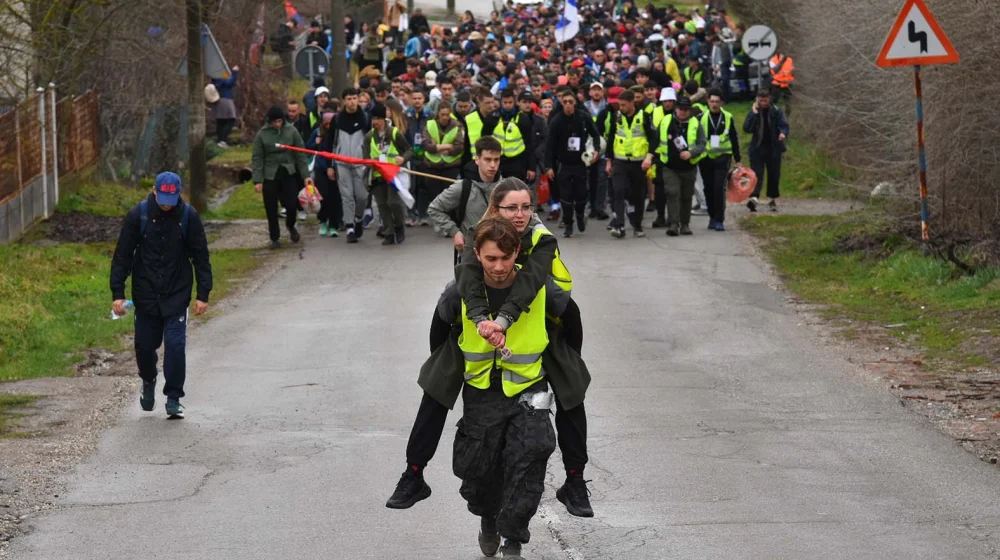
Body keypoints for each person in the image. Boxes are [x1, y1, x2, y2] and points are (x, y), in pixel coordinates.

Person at [387, 179, 593, 523]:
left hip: (537, 315)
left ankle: (574, 480)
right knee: (435, 388)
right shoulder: (477, 234)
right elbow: (466, 280)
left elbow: (532, 284)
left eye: (526, 207)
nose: (521, 215)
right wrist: (455, 344)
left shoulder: (542, 238)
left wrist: (566, 354)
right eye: (511, 208)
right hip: (478, 319)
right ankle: (414, 474)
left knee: (573, 390)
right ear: (495, 209)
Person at [110, 172, 213, 419]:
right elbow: (122, 255)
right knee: (145, 347)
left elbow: (201, 256)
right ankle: (149, 379)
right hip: (145, 292)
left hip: (177, 291)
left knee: (176, 346)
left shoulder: (188, 216)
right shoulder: (139, 216)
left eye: (172, 198)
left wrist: (203, 294)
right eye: (163, 197)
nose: (167, 203)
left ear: (179, 194)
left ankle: (174, 397)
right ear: (155, 192)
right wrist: (118, 293)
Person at [427, 136, 503, 262]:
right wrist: (455, 232)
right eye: (487, 159)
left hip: (501, 257)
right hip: (471, 257)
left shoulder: (507, 188)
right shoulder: (462, 187)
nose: (493, 165)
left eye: (496, 160)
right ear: (477, 159)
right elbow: (434, 208)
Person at [251, 105, 313, 248]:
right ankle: (274, 237)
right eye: (274, 122)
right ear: (269, 121)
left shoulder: (291, 131)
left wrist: (305, 175)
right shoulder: (262, 134)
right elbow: (257, 158)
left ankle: (291, 226)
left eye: (280, 121)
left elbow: (300, 153)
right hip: (270, 174)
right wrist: (257, 180)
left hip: (288, 172)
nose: (277, 124)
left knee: (291, 204)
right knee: (271, 207)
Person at [546, 89, 601, 238]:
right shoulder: (556, 121)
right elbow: (549, 145)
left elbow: (595, 134)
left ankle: (580, 215)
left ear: (575, 103)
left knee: (582, 194)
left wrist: (596, 150)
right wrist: (549, 166)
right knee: (566, 196)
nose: (568, 105)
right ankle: (568, 224)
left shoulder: (583, 117)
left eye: (571, 102)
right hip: (564, 163)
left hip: (581, 162)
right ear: (562, 104)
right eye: (565, 102)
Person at [604, 89, 658, 239]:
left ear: (632, 102)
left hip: (638, 163)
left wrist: (649, 158)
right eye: (619, 105)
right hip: (620, 161)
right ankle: (620, 225)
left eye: (624, 105)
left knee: (637, 196)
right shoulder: (617, 117)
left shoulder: (644, 117)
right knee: (618, 191)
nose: (621, 108)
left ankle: (637, 225)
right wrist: (608, 161)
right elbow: (610, 140)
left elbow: (654, 139)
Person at [657, 96, 707, 236]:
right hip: (670, 166)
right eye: (680, 109)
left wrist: (691, 153)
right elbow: (656, 139)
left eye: (686, 110)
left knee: (686, 196)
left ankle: (685, 224)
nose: (683, 112)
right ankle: (673, 223)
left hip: (688, 167)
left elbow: (702, 144)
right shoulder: (666, 121)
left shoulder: (695, 123)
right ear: (676, 109)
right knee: (673, 193)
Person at [364, 103, 412, 245]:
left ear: (384, 119)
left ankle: (399, 227)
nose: (376, 122)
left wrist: (402, 158)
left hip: (393, 176)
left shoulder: (394, 133)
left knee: (393, 203)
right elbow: (365, 157)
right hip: (377, 176)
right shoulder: (369, 137)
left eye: (378, 118)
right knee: (382, 205)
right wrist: (370, 162)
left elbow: (409, 150)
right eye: (373, 118)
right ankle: (389, 233)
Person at [331, 88, 372, 243]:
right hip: (342, 163)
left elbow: (370, 142)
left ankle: (359, 218)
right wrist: (331, 165)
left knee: (362, 196)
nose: (352, 102)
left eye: (354, 98)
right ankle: (349, 227)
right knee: (347, 196)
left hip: (360, 163)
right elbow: (332, 143)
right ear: (344, 101)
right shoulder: (337, 119)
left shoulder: (365, 119)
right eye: (348, 99)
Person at [697, 88, 741, 231]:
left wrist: (738, 158)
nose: (714, 104)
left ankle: (719, 219)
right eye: (711, 101)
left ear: (721, 103)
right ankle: (711, 216)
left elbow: (734, 138)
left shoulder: (728, 117)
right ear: (708, 102)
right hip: (706, 158)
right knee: (708, 189)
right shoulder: (701, 117)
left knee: (718, 188)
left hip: (723, 157)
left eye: (717, 102)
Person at [743, 88, 789, 213]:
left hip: (774, 148)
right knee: (756, 175)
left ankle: (772, 199)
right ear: (757, 99)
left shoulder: (775, 111)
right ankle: (754, 198)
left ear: (769, 99)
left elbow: (784, 125)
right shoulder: (754, 111)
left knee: (774, 175)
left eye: (765, 100)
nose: (763, 103)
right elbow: (747, 128)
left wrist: (783, 133)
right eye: (761, 100)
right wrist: (753, 114)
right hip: (757, 149)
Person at [420, 103, 465, 221]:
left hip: (450, 165)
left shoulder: (457, 126)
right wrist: (446, 146)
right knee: (435, 194)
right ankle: (439, 220)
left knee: (449, 196)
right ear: (438, 114)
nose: (445, 117)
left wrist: (441, 148)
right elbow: (426, 145)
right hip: (432, 165)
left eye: (447, 115)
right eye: (442, 115)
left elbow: (460, 146)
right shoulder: (430, 125)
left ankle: (450, 219)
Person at [306, 111, 342, 237]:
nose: (328, 126)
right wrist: (315, 143)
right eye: (326, 124)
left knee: (335, 197)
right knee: (323, 195)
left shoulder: (338, 133)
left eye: (330, 123)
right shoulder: (317, 132)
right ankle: (323, 221)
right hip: (321, 168)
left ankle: (334, 225)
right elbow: (308, 147)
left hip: (335, 167)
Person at [210, 65, 239, 147]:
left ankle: (220, 141)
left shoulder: (216, 75)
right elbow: (230, 82)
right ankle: (222, 141)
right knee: (231, 120)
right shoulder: (221, 74)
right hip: (226, 99)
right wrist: (234, 72)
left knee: (221, 121)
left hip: (220, 99)